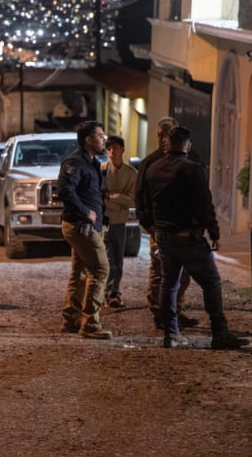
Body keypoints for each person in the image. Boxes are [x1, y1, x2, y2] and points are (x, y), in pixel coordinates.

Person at [140, 127, 249, 349]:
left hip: (163, 236)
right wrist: (214, 232)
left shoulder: (153, 169)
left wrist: (152, 226)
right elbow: (204, 204)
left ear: (167, 143)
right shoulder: (193, 169)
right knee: (211, 282)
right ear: (187, 145)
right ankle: (219, 333)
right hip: (188, 237)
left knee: (169, 283)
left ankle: (171, 334)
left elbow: (145, 202)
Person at [136, 118, 198, 330]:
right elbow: (140, 197)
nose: (164, 140)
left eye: (168, 135)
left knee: (184, 273)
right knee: (160, 271)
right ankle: (160, 312)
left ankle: (175, 310)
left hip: (184, 228)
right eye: (161, 135)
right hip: (160, 228)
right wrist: (149, 225)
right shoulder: (150, 163)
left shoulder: (189, 160)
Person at [57, 121, 112, 339]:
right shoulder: (75, 162)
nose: (104, 139)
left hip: (90, 226)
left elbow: (95, 194)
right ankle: (89, 324)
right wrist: (85, 212)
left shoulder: (93, 163)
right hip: (81, 226)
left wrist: (103, 218)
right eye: (100, 136)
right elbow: (65, 190)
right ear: (88, 140)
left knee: (80, 272)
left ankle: (72, 318)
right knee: (100, 269)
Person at [101, 136, 137, 308]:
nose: (112, 152)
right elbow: (99, 197)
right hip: (104, 221)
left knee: (118, 259)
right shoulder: (101, 170)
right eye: (109, 149)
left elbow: (132, 200)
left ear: (122, 149)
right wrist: (119, 199)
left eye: (115, 148)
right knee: (109, 259)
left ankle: (113, 291)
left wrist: (112, 197)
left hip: (120, 221)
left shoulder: (131, 173)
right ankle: (111, 293)